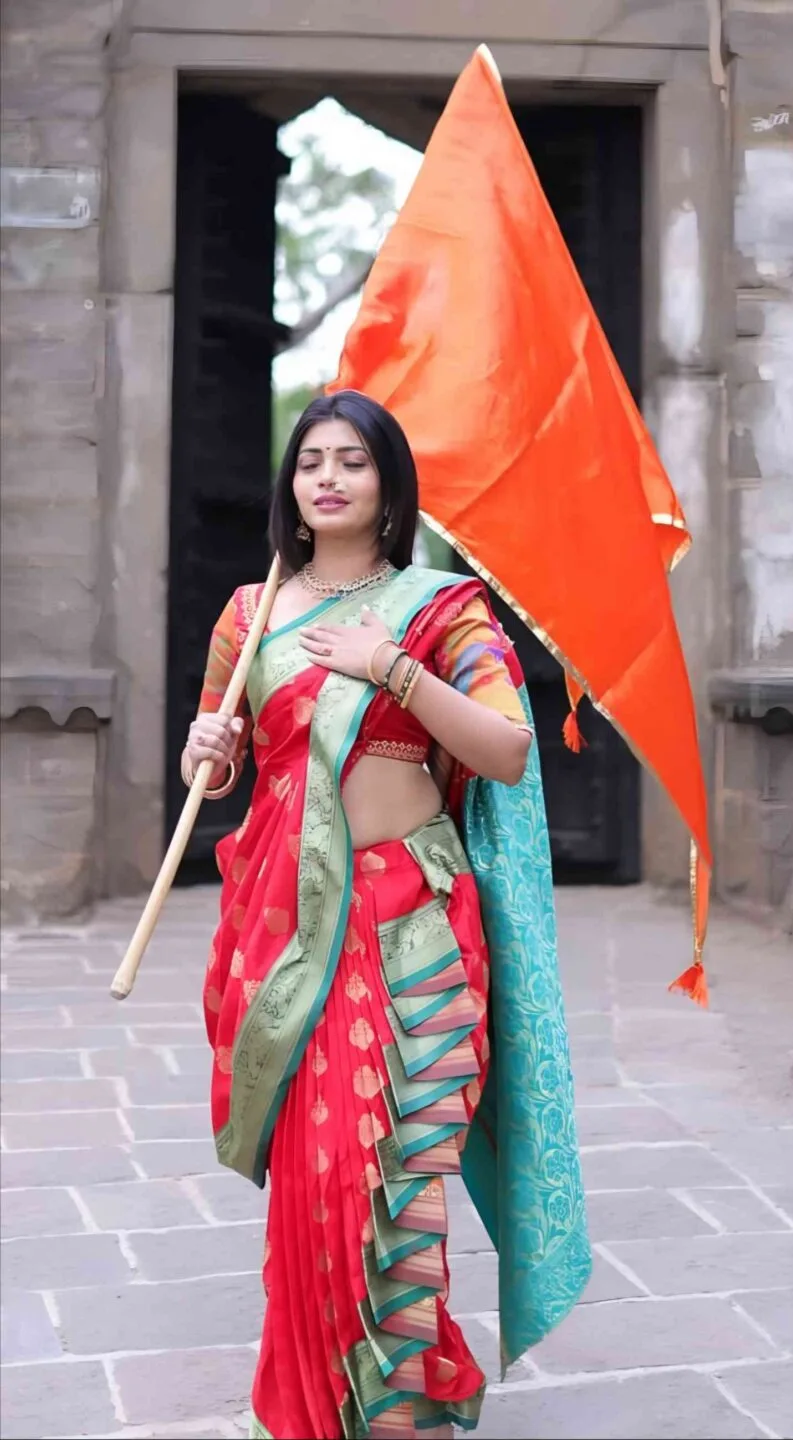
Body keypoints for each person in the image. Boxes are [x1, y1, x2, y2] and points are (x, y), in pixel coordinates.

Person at [182, 390, 588, 1436]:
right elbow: (221, 756)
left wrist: (391, 665)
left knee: (399, 1180)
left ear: (389, 483)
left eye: (351, 461)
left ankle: (397, 1416)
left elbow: (505, 749)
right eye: (310, 460)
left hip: (413, 921)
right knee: (320, 1188)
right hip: (291, 932)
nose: (327, 478)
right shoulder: (250, 613)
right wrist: (208, 756)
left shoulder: (442, 610)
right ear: (290, 488)